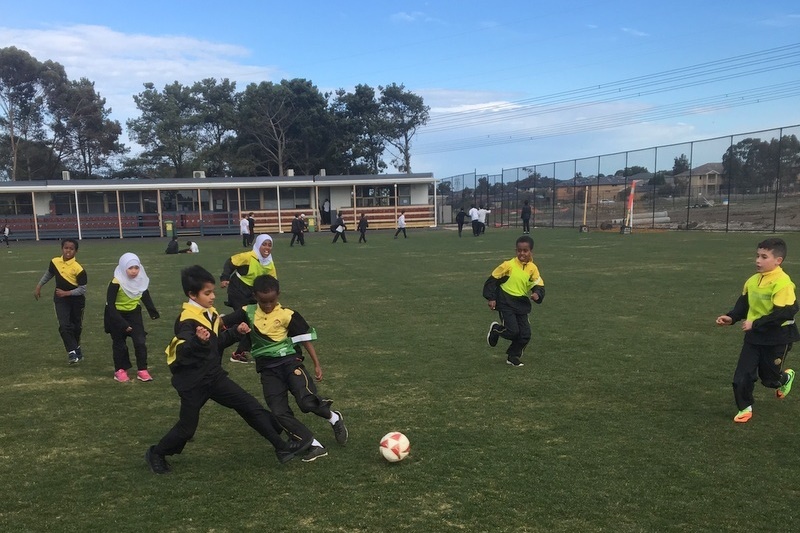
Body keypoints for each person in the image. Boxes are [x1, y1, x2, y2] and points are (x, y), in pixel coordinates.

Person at [144, 265, 311, 474]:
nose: (213, 297)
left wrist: (236, 332)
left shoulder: (210, 313)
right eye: (207, 293)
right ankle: (157, 453)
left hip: (214, 377)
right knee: (187, 429)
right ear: (192, 295)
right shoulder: (187, 321)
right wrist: (198, 341)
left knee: (249, 406)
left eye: (213, 291)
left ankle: (282, 447)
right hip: (193, 383)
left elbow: (216, 343)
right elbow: (184, 349)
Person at [225, 275, 349, 462]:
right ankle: (314, 445)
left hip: (290, 363)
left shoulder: (287, 315)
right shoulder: (247, 312)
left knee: (306, 402)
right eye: (263, 301)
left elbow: (304, 339)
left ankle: (334, 418)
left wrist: (316, 364)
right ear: (255, 296)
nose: (267, 305)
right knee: (279, 412)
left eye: (272, 301)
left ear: (279, 296)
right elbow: (222, 322)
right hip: (267, 370)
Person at [715, 237, 800, 423]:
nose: (758, 261)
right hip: (754, 337)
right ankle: (745, 407)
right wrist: (732, 317)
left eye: (764, 257)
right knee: (742, 375)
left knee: (770, 379)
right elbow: (744, 303)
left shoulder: (783, 283)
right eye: (757, 256)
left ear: (778, 261)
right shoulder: (753, 281)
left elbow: (784, 313)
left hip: (778, 337)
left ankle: (785, 378)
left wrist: (755, 323)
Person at [483, 235, 545, 367]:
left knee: (525, 334)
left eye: (525, 250)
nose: (522, 253)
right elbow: (492, 280)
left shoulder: (533, 268)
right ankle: (495, 329)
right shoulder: (508, 266)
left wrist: (537, 294)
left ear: (531, 252)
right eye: (519, 250)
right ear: (516, 251)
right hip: (505, 301)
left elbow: (538, 284)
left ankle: (513, 356)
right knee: (512, 331)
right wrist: (491, 298)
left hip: (521, 304)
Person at [220, 234, 277, 363]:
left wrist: (274, 298)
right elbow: (230, 262)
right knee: (248, 320)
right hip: (237, 290)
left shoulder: (269, 263)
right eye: (264, 244)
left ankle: (226, 325)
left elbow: (272, 281)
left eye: (269, 245)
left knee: (253, 320)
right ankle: (237, 351)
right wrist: (224, 278)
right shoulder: (247, 257)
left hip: (252, 294)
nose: (267, 248)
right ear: (258, 245)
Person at [104, 253, 160, 383]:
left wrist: (152, 311)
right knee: (120, 344)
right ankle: (120, 370)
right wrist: (123, 324)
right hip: (116, 315)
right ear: (124, 268)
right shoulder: (115, 282)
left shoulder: (140, 279)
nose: (134, 271)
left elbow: (144, 293)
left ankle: (142, 370)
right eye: (130, 268)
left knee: (140, 341)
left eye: (136, 267)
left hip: (134, 313)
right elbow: (110, 306)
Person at [34, 238, 88, 364]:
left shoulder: (78, 269)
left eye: (71, 248)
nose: (68, 250)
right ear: (62, 249)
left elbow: (82, 289)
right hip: (60, 299)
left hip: (76, 301)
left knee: (76, 327)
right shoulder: (55, 262)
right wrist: (39, 286)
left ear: (76, 251)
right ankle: (72, 352)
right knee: (64, 325)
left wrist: (67, 293)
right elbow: (49, 274)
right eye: (66, 248)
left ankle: (77, 347)